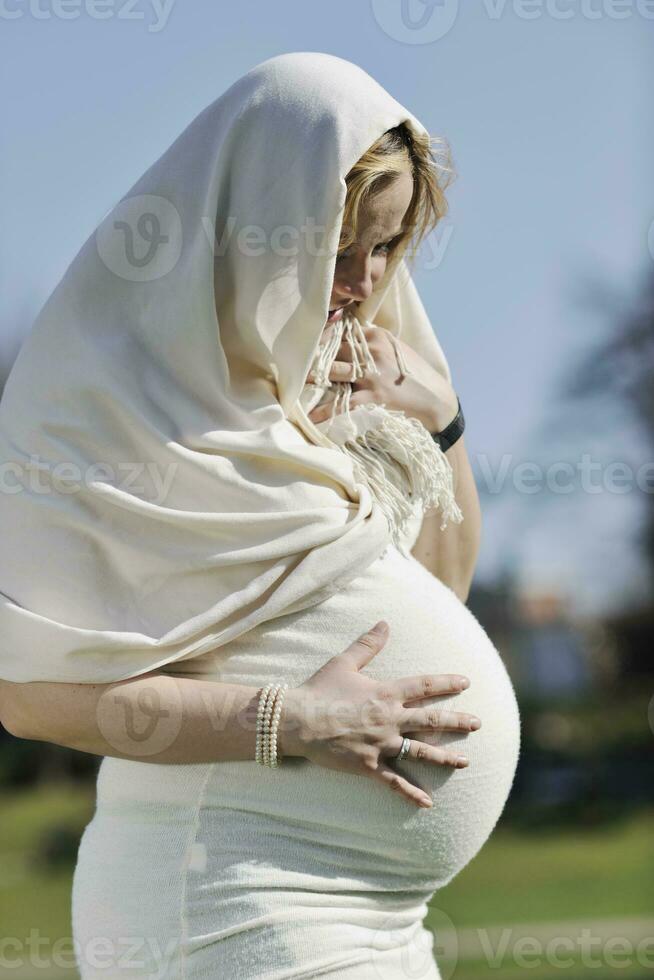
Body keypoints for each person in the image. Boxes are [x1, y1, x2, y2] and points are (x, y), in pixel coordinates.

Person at [0, 52, 520, 978]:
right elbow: (30, 697)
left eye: (388, 249)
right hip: (229, 904)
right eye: (339, 248)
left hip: (381, 914)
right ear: (252, 229)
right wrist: (289, 720)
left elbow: (441, 588)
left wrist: (440, 424)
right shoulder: (105, 412)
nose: (364, 284)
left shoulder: (317, 396)